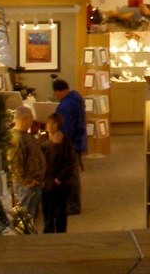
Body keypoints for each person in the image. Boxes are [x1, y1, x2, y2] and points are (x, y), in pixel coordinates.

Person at [52, 78, 86, 214]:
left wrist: (62, 144)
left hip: (70, 143)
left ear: (59, 91)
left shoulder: (66, 105)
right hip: (78, 141)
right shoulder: (76, 100)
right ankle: (73, 203)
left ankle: (73, 205)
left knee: (71, 175)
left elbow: (66, 127)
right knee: (73, 173)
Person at [8, 106, 45, 223]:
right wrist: (27, 181)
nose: (31, 122)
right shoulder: (17, 138)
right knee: (24, 215)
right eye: (30, 119)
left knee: (30, 214)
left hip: (32, 181)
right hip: (26, 184)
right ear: (25, 119)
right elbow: (14, 164)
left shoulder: (24, 135)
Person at [41, 113, 76, 233]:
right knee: (48, 213)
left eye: (54, 123)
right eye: (49, 123)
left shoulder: (65, 142)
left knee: (60, 212)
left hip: (61, 184)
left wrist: (59, 178)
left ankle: (61, 236)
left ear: (59, 125)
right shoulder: (42, 140)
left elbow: (70, 163)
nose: (51, 126)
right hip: (46, 184)